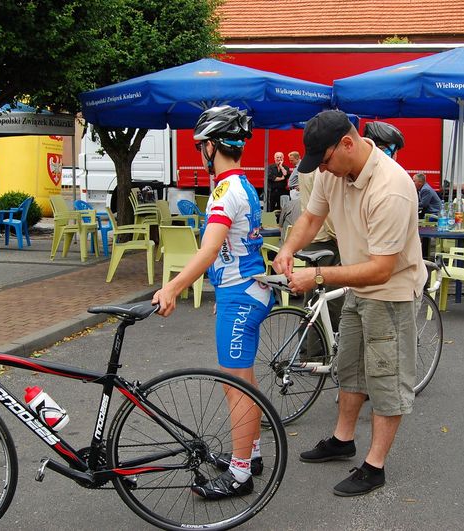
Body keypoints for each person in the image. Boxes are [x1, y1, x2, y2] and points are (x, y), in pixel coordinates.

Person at [273, 110, 427, 497]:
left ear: (346, 143)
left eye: (324, 161)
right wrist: (288, 249)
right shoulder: (332, 171)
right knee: (350, 367)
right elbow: (311, 216)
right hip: (360, 287)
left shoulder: (390, 187)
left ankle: (375, 466)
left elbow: (380, 270)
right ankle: (343, 440)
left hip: (390, 293)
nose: (322, 170)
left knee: (386, 378)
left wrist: (318, 277)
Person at [152, 105, 273, 500]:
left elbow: (208, 250)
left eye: (200, 145)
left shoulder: (225, 191)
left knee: (236, 386)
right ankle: (249, 453)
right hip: (244, 291)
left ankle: (240, 475)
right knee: (245, 381)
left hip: (242, 295)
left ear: (211, 147)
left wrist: (172, 287)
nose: (199, 152)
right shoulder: (243, 184)